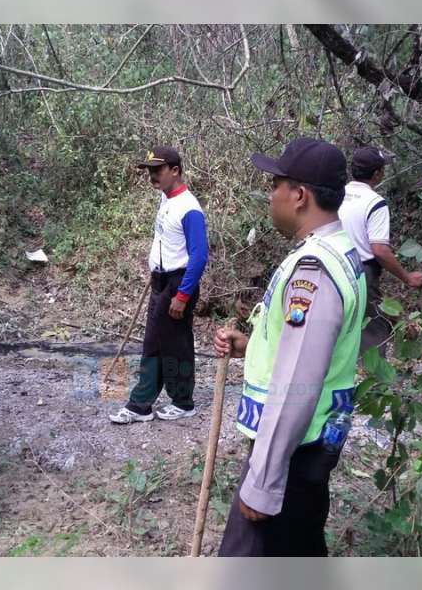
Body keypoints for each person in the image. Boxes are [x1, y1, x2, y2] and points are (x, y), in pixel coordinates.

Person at [214, 137, 366, 556]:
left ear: (299, 195)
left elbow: (299, 376)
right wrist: (250, 345)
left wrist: (262, 483)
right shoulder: (342, 251)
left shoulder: (314, 268)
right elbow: (309, 345)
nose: (270, 194)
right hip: (311, 444)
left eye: (275, 183)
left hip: (293, 448)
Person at [109, 146, 208, 424]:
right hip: (161, 281)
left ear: (175, 171)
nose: (152, 175)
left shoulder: (189, 208)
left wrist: (182, 294)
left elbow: (199, 256)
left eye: (157, 170)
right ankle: (141, 404)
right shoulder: (167, 200)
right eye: (149, 170)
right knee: (153, 342)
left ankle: (182, 401)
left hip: (178, 283)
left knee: (175, 343)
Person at [338, 146, 422, 356]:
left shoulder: (338, 194)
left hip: (333, 266)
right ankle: (374, 381)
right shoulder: (375, 203)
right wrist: (407, 278)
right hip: (361, 272)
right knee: (373, 327)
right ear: (377, 174)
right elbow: (379, 250)